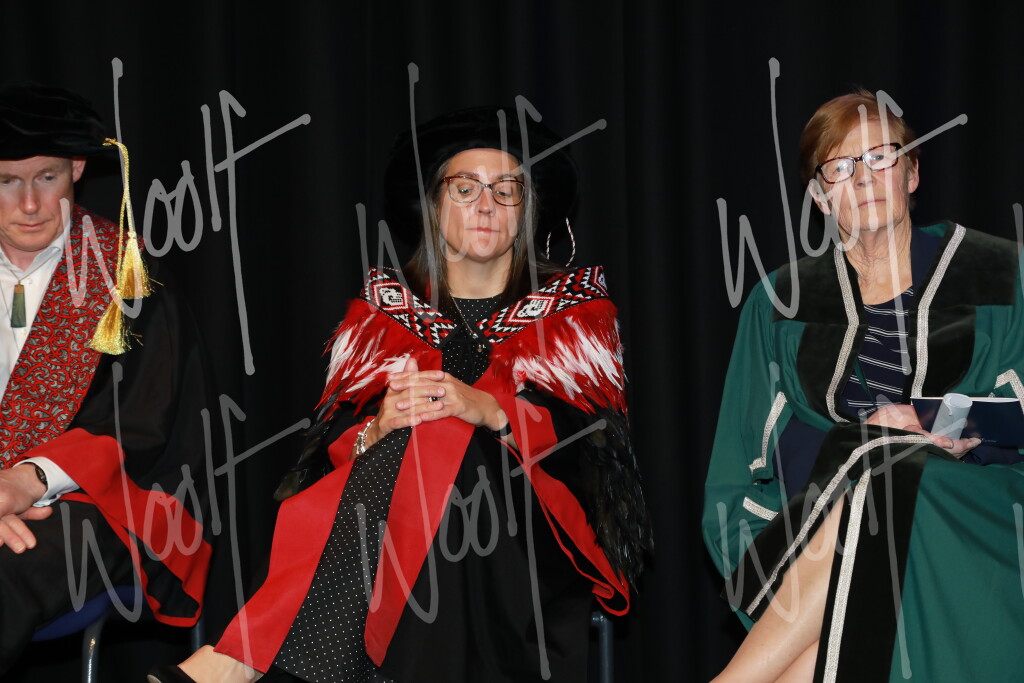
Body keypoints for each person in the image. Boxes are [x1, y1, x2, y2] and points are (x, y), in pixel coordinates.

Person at [149, 105, 651, 683]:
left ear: (527, 208)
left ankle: (246, 659)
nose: (486, 205)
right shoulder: (384, 317)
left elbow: (597, 467)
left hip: (523, 545)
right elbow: (322, 467)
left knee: (448, 443)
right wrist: (378, 427)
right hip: (391, 538)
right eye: (465, 187)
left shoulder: (571, 317)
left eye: (507, 190)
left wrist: (496, 414)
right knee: (416, 434)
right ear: (434, 205)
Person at [703, 88, 1024, 682]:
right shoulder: (779, 304)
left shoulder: (1001, 273)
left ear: (912, 172)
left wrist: (934, 420)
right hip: (817, 548)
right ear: (819, 195)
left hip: (978, 528)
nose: (863, 176)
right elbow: (735, 473)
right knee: (874, 498)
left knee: (889, 469)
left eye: (881, 156)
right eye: (840, 166)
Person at [0, 82, 215, 672]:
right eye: (7, 181)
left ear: (76, 167)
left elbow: (141, 426)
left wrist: (24, 482)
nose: (29, 204)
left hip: (107, 502)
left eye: (46, 177)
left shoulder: (129, 277)